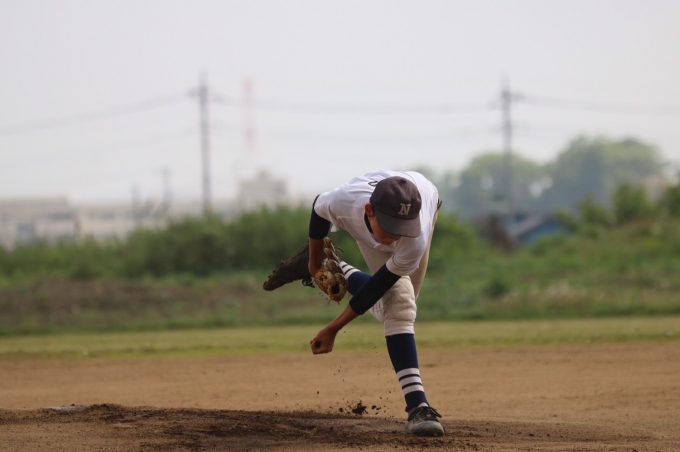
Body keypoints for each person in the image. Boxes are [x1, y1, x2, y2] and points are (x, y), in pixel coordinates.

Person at [263, 169, 444, 436]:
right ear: (369, 211)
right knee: (399, 306)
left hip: (425, 200)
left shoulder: (413, 236)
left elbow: (377, 288)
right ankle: (418, 407)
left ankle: (329, 262)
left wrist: (333, 327)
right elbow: (319, 207)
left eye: (402, 227)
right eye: (390, 227)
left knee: (397, 307)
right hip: (368, 223)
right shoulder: (345, 202)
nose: (396, 236)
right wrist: (313, 262)